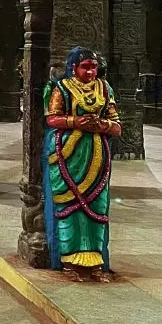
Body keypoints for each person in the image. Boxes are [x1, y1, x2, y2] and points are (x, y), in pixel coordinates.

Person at [43, 46, 121, 281]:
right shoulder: (62, 89)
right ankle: (69, 262)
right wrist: (76, 122)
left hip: (97, 155)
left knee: (97, 207)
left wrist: (102, 126)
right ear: (73, 68)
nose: (90, 72)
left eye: (93, 67)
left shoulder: (104, 89)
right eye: (85, 67)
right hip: (69, 155)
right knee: (69, 208)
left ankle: (96, 262)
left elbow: (116, 125)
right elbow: (52, 119)